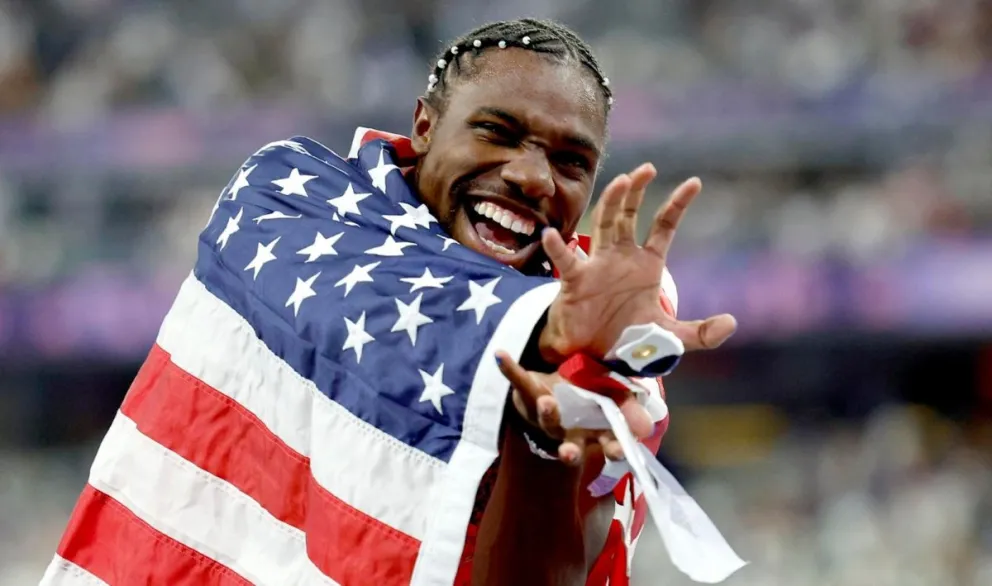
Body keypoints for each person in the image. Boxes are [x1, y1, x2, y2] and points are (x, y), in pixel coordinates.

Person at [41, 17, 737, 586]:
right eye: (496, 132)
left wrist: (540, 432)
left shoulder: (592, 332)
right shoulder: (291, 196)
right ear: (425, 126)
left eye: (570, 161)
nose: (531, 176)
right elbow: (383, 309)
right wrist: (543, 331)